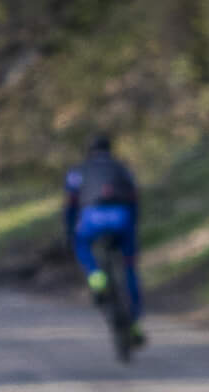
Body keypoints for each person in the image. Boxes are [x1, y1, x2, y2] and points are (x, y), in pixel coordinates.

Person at [63, 133, 146, 349]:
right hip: (122, 217)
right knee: (129, 268)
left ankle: (95, 275)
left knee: (81, 244)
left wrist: (69, 232)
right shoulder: (123, 169)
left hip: (92, 218)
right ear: (110, 150)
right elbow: (135, 199)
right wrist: (133, 227)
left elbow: (70, 207)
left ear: (89, 152)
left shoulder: (78, 171)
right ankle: (136, 323)